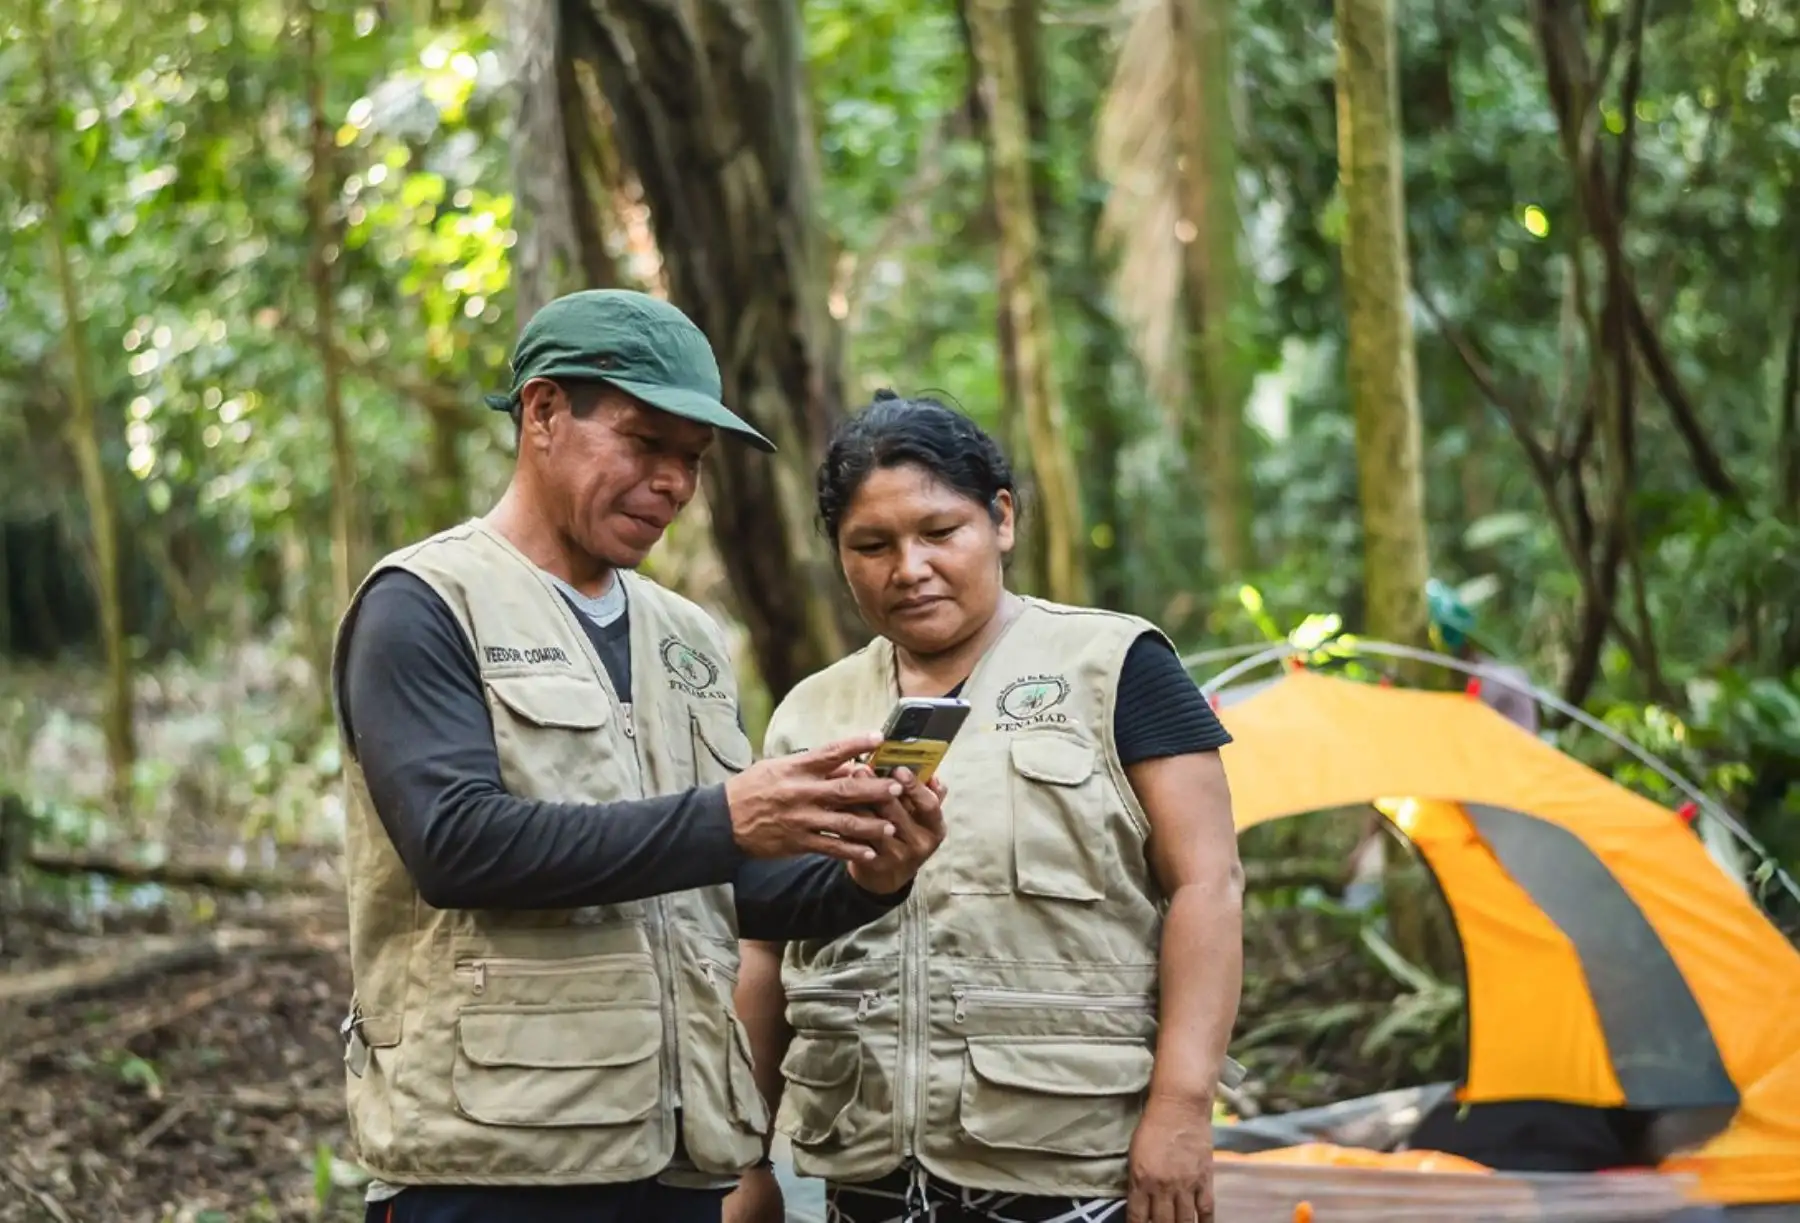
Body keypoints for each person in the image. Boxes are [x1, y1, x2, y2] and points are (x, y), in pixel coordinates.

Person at [330, 292, 947, 1223]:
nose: (672, 482)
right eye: (642, 442)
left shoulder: (688, 637)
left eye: (691, 460)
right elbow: (454, 845)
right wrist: (727, 817)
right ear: (541, 413)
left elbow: (723, 888)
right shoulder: (424, 602)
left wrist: (868, 873)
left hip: (674, 1161)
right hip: (492, 1164)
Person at [727, 390, 1245, 1223]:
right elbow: (761, 944)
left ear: (1001, 518)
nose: (910, 567)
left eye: (940, 532)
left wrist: (1182, 1110)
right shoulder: (808, 714)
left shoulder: (1117, 666)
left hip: (1075, 1164)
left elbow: (1209, 885)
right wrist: (741, 1153)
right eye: (872, 544)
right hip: (868, 1174)